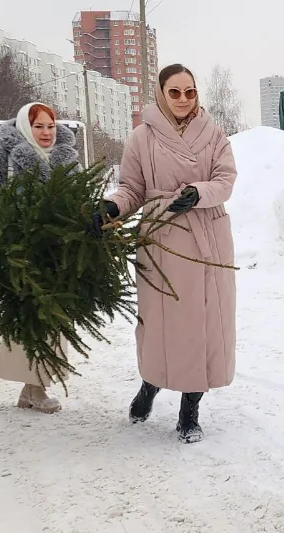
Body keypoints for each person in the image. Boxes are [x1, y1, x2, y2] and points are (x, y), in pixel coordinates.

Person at [89, 63, 237, 444]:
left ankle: (190, 411)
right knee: (159, 323)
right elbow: (131, 189)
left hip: (207, 237)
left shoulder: (214, 133)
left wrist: (199, 193)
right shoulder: (141, 138)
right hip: (161, 240)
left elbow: (225, 180)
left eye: (190, 92)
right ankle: (150, 385)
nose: (184, 99)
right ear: (160, 93)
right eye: (175, 92)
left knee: (202, 325)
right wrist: (111, 208)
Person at [0, 102, 80, 418]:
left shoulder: (67, 159)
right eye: (38, 126)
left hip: (58, 255)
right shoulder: (0, 158)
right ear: (26, 127)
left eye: (50, 126)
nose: (46, 132)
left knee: (53, 324)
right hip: (17, 255)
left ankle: (34, 389)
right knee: (20, 323)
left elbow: (80, 201)